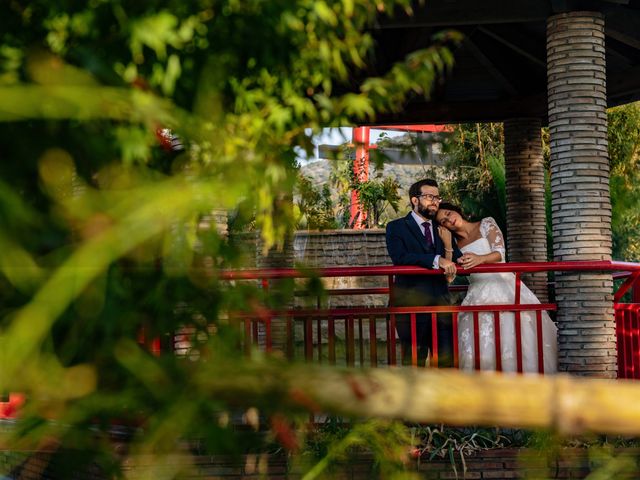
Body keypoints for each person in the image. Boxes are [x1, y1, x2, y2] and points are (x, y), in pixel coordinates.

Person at [435, 203, 558, 373]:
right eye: (444, 221)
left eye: (448, 213)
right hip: (477, 294)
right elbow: (448, 277)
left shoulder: (486, 223)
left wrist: (480, 259)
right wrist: (447, 245)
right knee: (481, 344)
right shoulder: (453, 244)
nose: (450, 219)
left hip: (505, 287)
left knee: (518, 337)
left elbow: (500, 253)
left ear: (456, 209)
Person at [385, 179, 460, 367]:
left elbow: (457, 258)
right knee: (414, 363)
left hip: (441, 305)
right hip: (410, 306)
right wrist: (437, 260)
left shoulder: (442, 228)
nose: (434, 201)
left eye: (437, 197)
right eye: (428, 196)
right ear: (415, 200)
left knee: (446, 363)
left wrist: (470, 255)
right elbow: (400, 257)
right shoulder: (396, 227)